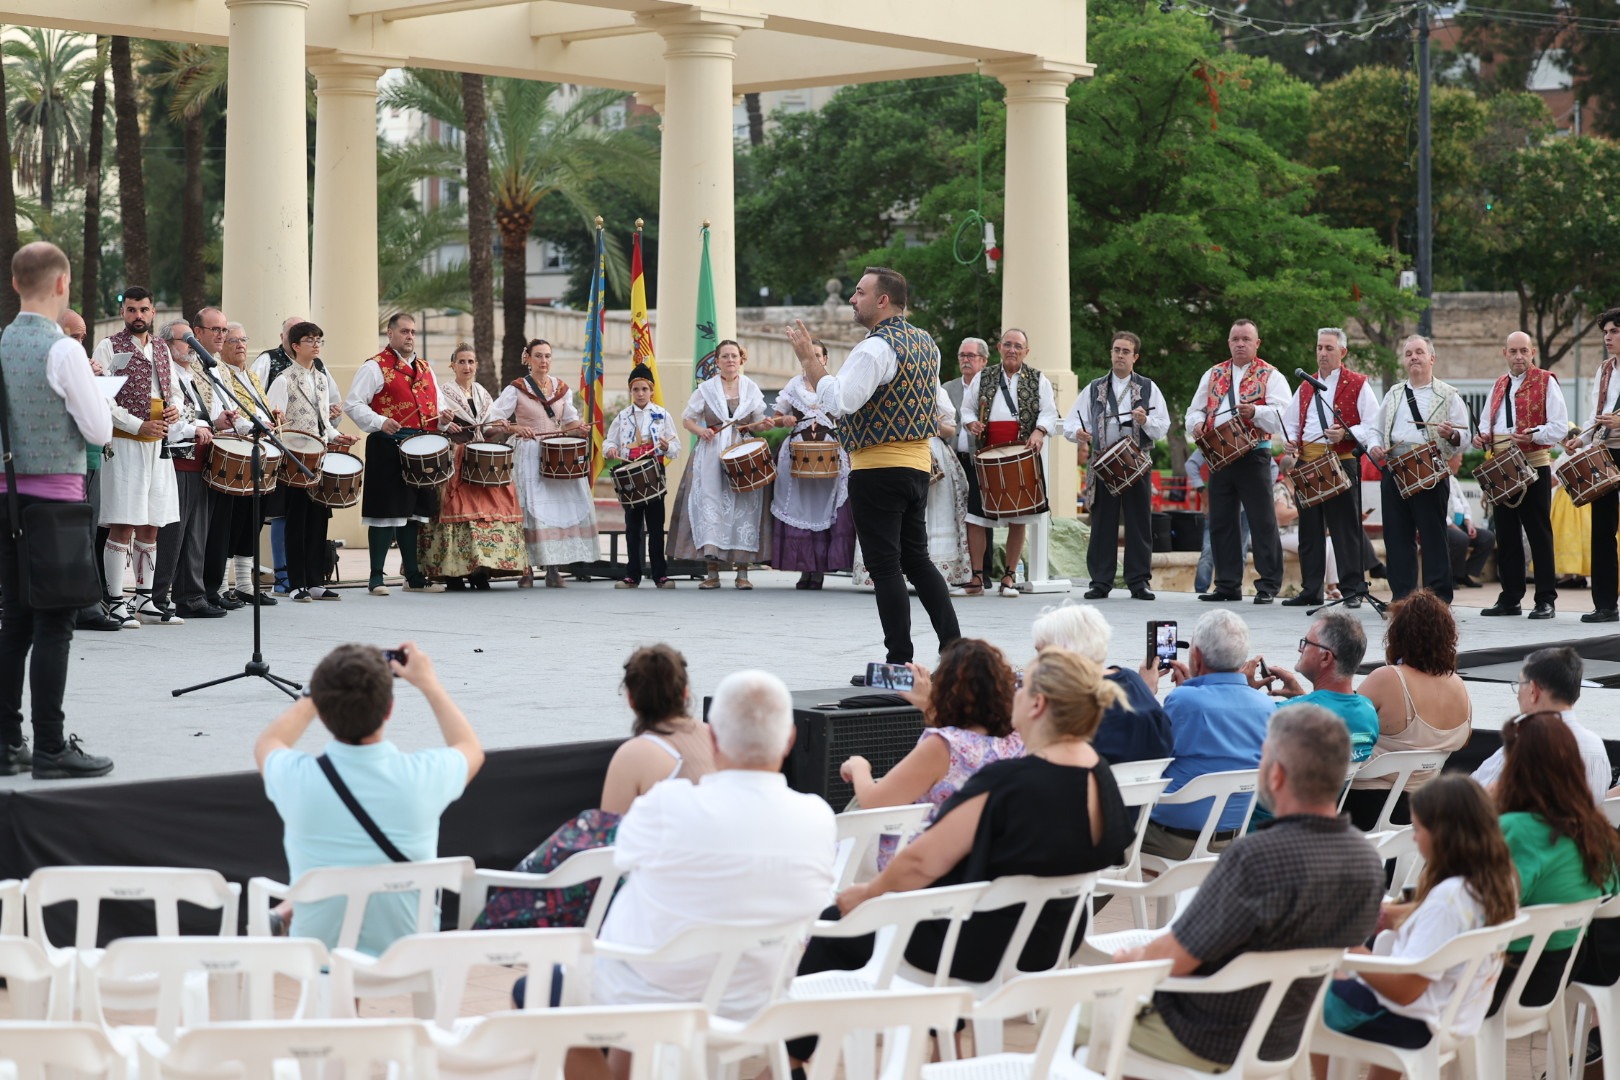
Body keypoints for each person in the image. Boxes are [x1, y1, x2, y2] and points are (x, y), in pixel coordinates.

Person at [789, 647, 1132, 1070]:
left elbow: (919, 863)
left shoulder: (1007, 783)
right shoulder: (1101, 774)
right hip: (1051, 940)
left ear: (1038, 704)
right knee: (914, 912)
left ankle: (788, 1062)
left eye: (1021, 688)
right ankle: (940, 1051)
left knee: (835, 926)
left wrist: (864, 895)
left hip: (978, 946)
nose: (1014, 695)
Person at [569, 669, 834, 1080]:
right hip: (759, 998)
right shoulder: (818, 817)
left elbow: (619, 861)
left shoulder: (666, 805)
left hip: (651, 995)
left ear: (712, 739)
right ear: (791, 738)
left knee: (543, 994)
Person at [1113, 704, 1384, 1074]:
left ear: (1276, 775)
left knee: (1074, 1015)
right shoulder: (1365, 860)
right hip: (1284, 1038)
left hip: (1205, 1036)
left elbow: (1175, 959)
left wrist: (1130, 962)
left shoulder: (1255, 858)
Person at [254, 642, 482, 955]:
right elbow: (469, 747)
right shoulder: (422, 776)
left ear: (321, 711)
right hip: (410, 950)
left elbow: (269, 741)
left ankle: (286, 911)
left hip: (321, 952)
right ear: (389, 709)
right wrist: (428, 683)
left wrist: (313, 696)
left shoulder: (297, 778)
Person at [786, 268, 961, 663]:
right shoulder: (925, 343)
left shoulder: (874, 348)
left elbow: (840, 401)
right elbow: (943, 409)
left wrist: (810, 361)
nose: (852, 298)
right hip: (917, 467)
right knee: (917, 560)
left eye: (860, 292)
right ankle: (955, 649)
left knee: (885, 567)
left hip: (878, 469)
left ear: (882, 300)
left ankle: (898, 661)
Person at [477, 644, 716, 933]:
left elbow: (606, 848)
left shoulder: (637, 754)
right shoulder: (717, 739)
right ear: (685, 692)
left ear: (630, 698)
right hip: (713, 886)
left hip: (666, 899)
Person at [0, 241, 116, 778]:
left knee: (15, 621)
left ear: (16, 284)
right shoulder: (63, 350)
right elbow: (97, 429)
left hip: (8, 499)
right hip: (57, 505)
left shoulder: (1, 343)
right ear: (62, 284)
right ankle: (49, 746)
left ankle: (6, 743)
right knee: (56, 624)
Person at [1311, 774, 1518, 1074]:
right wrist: (1386, 916)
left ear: (1443, 835)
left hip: (1408, 1020)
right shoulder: (1496, 884)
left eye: (1418, 828)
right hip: (1454, 1012)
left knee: (1303, 992)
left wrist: (1349, 949)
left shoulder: (1447, 901)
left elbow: (1405, 990)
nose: (1414, 837)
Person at [839, 638, 1024, 868]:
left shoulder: (941, 745)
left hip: (928, 861)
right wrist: (929, 705)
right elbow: (967, 733)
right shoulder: (1017, 740)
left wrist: (859, 767)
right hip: (986, 854)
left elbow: (874, 803)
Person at [1490, 713, 1620, 1014]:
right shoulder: (1596, 828)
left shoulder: (1517, 829)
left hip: (1508, 979)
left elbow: (1490, 907)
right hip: (1561, 972)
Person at [1137, 608, 1275, 859]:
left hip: (1174, 837)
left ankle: (1076, 898)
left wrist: (1145, 693)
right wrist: (1191, 688)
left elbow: (1144, 755)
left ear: (1197, 656)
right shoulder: (1266, 706)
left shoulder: (1184, 701)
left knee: (1099, 832)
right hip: (1230, 837)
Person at [343, 312, 456, 596]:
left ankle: (414, 576)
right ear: (390, 334)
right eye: (404, 331)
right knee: (386, 512)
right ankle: (376, 578)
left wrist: (444, 418)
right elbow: (353, 404)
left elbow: (437, 409)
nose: (409, 337)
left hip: (423, 448)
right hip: (388, 446)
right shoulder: (374, 367)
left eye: (413, 332)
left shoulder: (427, 369)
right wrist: (381, 422)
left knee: (415, 514)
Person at [93, 286, 182, 627]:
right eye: (132, 310)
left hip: (158, 443)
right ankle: (115, 600)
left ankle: (145, 599)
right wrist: (137, 424)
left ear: (153, 312)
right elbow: (103, 398)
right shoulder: (108, 346)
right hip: (126, 442)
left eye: (143, 310)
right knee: (123, 521)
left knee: (152, 522)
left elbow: (173, 390)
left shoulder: (161, 347)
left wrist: (177, 412)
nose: (138, 316)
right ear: (123, 313)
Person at [1346, 590, 1472, 830]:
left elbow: (1342, 723)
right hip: (1423, 811)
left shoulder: (1388, 678)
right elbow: (1464, 742)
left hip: (1368, 807)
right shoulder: (1459, 686)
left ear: (1399, 635)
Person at [1186, 319, 1289, 604]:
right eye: (1235, 339)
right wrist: (1196, 424)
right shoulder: (1213, 373)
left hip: (1254, 453)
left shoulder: (1271, 375)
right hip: (1219, 453)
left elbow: (1284, 414)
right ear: (1229, 342)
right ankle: (1227, 584)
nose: (1240, 344)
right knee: (1221, 521)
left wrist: (1255, 411)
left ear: (1257, 343)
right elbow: (1194, 410)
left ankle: (1268, 584)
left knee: (1262, 520)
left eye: (1246, 339)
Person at [1066, 331, 1170, 601]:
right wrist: (1079, 433)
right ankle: (1100, 581)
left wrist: (1145, 421)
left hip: (1136, 463)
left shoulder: (1148, 388)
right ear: (1111, 353)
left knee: (1138, 524)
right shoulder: (1094, 388)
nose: (1120, 355)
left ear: (1135, 356)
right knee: (1102, 523)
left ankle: (1139, 582)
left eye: (1125, 351)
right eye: (1116, 350)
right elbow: (1071, 422)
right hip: (1104, 464)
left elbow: (1163, 427)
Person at [1368, 335, 1469, 604]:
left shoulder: (1448, 394)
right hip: (1395, 469)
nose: (1414, 357)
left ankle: (1438, 600)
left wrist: (1451, 436)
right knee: (1396, 536)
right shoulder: (1394, 393)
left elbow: (1465, 436)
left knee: (1433, 535)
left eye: (1419, 352)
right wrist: (1376, 446)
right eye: (1409, 353)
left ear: (1431, 358)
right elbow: (1375, 431)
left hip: (1430, 469)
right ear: (1404, 360)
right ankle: (1402, 597)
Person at [491, 338, 599, 588]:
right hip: (528, 453)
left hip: (556, 454)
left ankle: (553, 570)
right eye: (538, 356)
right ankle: (526, 570)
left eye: (548, 356)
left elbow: (569, 420)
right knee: (529, 510)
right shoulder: (516, 389)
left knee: (557, 510)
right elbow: (495, 420)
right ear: (527, 358)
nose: (544, 361)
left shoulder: (562, 388)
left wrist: (579, 427)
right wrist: (517, 427)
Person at [418, 343, 526, 590]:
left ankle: (479, 570)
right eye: (462, 362)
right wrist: (445, 424)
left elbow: (487, 429)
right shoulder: (442, 392)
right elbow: (433, 423)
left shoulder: (482, 394)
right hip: (454, 457)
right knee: (454, 511)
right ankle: (453, 574)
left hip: (480, 459)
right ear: (452, 365)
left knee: (481, 515)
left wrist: (502, 427)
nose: (467, 366)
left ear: (476, 366)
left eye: (471, 362)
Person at [962, 328, 1061, 597]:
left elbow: (1050, 413)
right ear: (999, 348)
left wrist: (1040, 431)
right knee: (976, 517)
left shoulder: (1038, 379)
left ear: (1026, 351)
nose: (1012, 350)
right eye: (1008, 344)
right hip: (987, 455)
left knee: (1020, 516)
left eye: (1018, 346)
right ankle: (977, 577)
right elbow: (967, 407)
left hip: (1021, 455)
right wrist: (970, 421)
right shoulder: (984, 376)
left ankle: (1008, 577)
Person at [1283, 328, 1377, 608]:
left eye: (1329, 348)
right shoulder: (1305, 385)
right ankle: (1310, 589)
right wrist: (1290, 442)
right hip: (1308, 462)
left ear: (1343, 352)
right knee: (1309, 529)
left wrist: (1346, 434)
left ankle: (1352, 589)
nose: (1323, 353)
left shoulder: (1358, 383)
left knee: (1345, 528)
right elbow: (1289, 422)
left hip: (1341, 461)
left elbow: (1372, 424)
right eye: (1319, 348)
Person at [1476, 331, 1567, 620]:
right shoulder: (1498, 384)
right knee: (1506, 532)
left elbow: (1560, 426)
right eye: (1513, 351)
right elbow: (1484, 422)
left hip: (1533, 461)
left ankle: (1545, 599)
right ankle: (1510, 597)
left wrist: (1533, 433)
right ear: (1505, 353)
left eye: (1523, 351)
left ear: (1532, 352)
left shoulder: (1546, 381)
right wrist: (1483, 436)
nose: (1518, 356)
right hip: (1501, 463)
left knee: (1539, 532)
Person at [668, 339, 772, 589]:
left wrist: (764, 425)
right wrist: (701, 431)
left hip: (742, 453)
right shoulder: (706, 389)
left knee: (744, 506)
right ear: (717, 362)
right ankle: (712, 572)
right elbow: (687, 419)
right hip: (711, 453)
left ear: (741, 359)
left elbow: (756, 422)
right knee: (710, 505)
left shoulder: (751, 388)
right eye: (724, 356)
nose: (730, 360)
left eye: (734, 356)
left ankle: (743, 573)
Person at [265, 322, 357, 602]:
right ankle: (294, 583)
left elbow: (324, 423)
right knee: (296, 519)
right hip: (294, 460)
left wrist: (338, 436)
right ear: (295, 346)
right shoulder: (283, 379)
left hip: (320, 457)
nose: (316, 345)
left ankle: (315, 580)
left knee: (318, 518)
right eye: (309, 340)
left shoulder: (321, 379)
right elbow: (274, 423)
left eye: (319, 340)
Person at [1031, 601, 1172, 766]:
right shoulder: (1132, 680)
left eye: (1041, 653)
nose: (1037, 662)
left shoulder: (1065, 702)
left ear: (1062, 654)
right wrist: (1146, 692)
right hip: (1146, 789)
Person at [148, 319, 222, 621]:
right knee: (172, 534)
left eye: (193, 340)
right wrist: (195, 429)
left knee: (195, 533)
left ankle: (190, 595)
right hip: (176, 460)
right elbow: (169, 420)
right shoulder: (165, 376)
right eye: (185, 340)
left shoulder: (193, 376)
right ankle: (157, 597)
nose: (192, 346)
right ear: (166, 344)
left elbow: (204, 416)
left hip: (199, 461)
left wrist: (218, 423)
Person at [766, 339, 855, 589]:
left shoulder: (836, 385)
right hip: (796, 455)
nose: (814, 358)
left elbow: (848, 415)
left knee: (824, 510)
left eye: (818, 355)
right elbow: (775, 419)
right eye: (810, 354)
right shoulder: (792, 385)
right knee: (798, 507)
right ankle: (804, 569)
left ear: (825, 359)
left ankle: (819, 570)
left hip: (830, 455)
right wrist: (784, 419)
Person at [1472, 647, 1611, 801]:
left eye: (1520, 683)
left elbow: (1471, 799)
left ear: (1533, 690)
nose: (1518, 695)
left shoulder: (1524, 743)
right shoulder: (1596, 746)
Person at [1243, 612, 1380, 764]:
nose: (1300, 649)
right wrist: (1302, 696)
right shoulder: (1368, 710)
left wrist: (1244, 690)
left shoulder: (1285, 714)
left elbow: (1234, 728)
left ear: (1325, 657)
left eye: (1306, 643)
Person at [216, 322, 284, 606]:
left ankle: (245, 585)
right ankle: (220, 586)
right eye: (233, 341)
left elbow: (259, 407)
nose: (240, 345)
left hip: (260, 453)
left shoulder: (252, 377)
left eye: (243, 340)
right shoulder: (221, 374)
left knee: (252, 521)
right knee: (231, 523)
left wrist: (272, 416)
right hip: (235, 455)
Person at [61, 308, 120, 632]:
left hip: (92, 456)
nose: (79, 343)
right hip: (63, 464)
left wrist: (96, 382)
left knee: (88, 533)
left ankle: (87, 604)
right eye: (73, 336)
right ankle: (77, 607)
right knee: (70, 537)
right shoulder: (54, 365)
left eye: (82, 337)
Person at [1568, 307, 1620, 623]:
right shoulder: (1604, 370)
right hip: (1605, 452)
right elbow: (1594, 412)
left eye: (1614, 331)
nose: (1608, 337)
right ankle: (1605, 604)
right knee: (1602, 530)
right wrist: (1582, 438)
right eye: (1605, 332)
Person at [192, 307, 242, 613]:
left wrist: (241, 423)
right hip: (198, 450)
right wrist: (215, 421)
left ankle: (213, 589)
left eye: (224, 330)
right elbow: (187, 408)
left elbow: (231, 407)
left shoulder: (222, 368)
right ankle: (194, 589)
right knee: (200, 527)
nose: (222, 336)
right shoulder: (188, 364)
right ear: (198, 333)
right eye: (216, 330)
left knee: (222, 525)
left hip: (225, 453)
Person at [943, 337, 992, 594]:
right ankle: (962, 571)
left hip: (980, 460)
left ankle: (984, 573)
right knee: (957, 516)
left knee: (981, 515)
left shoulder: (991, 389)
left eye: (971, 356)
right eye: (962, 355)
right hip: (954, 458)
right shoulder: (948, 388)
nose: (965, 360)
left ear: (983, 361)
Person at [1274, 453, 1341, 600]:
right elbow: (1281, 515)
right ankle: (1319, 588)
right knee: (1318, 544)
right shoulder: (1281, 488)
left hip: (1297, 530)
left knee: (1329, 542)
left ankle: (1332, 586)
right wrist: (1304, 508)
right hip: (1283, 533)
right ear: (1290, 471)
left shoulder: (1301, 488)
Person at [1447, 466, 1493, 589]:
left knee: (1487, 537)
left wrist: (1468, 523)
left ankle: (1464, 574)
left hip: (1461, 524)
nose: (1461, 463)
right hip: (1444, 525)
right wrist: (1453, 526)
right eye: (1459, 460)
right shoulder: (1439, 481)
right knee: (1460, 538)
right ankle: (1451, 576)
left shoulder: (1454, 480)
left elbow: (1464, 504)